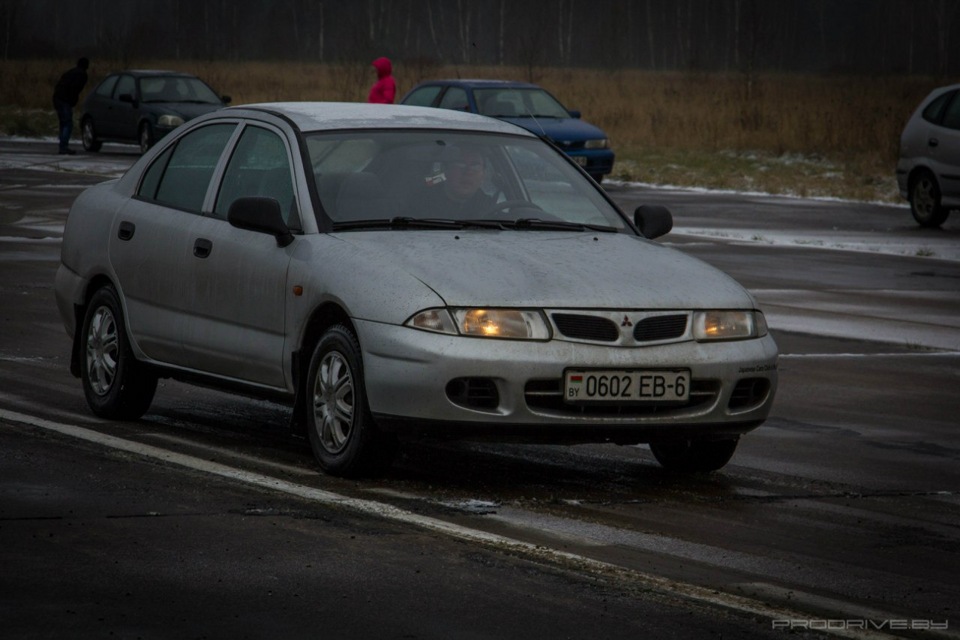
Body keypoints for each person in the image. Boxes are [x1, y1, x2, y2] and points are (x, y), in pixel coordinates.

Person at [408, 146, 495, 219]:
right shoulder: (421, 203)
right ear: (446, 170)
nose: (468, 172)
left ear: (484, 174)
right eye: (460, 164)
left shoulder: (491, 208)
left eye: (475, 165)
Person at [52, 57, 89, 155]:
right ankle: (63, 146)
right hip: (65, 99)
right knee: (68, 123)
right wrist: (72, 100)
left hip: (58, 97)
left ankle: (62, 145)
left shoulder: (71, 72)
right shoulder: (82, 75)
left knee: (63, 123)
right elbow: (75, 89)